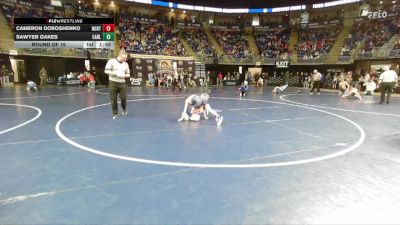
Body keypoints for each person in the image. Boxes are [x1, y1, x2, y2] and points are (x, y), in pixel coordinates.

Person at [105, 51, 130, 119]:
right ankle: (115, 113)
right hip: (113, 82)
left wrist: (124, 75)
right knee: (113, 99)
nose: (125, 59)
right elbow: (106, 71)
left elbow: (128, 74)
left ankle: (123, 109)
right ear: (120, 56)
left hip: (122, 83)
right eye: (124, 58)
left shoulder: (126, 64)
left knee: (124, 98)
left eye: (126, 58)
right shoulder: (111, 61)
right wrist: (116, 73)